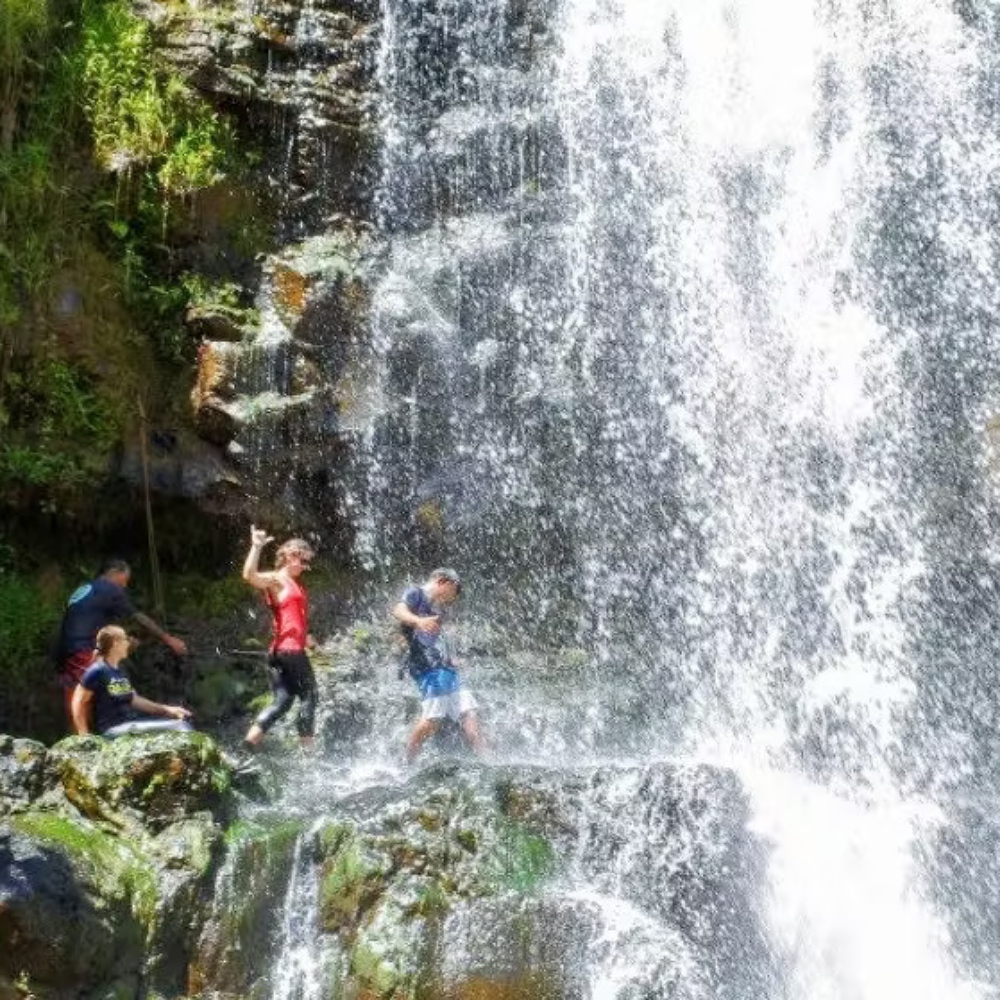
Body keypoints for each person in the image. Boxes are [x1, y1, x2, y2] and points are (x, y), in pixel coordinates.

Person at [55, 558, 188, 721]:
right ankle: (88, 737)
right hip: (83, 650)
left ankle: (81, 738)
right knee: (93, 698)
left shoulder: (87, 588)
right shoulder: (110, 589)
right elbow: (138, 617)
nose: (125, 586)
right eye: (125, 580)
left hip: (65, 651)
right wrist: (168, 639)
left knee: (81, 697)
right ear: (114, 573)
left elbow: (97, 626)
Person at [392, 567, 485, 763]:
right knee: (432, 719)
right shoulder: (416, 593)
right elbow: (398, 610)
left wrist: (450, 659)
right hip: (427, 667)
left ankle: (488, 759)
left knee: (468, 712)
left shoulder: (434, 608)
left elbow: (435, 641)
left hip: (443, 667)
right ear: (444, 581)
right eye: (452, 592)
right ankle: (406, 763)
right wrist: (418, 621)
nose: (451, 599)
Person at [241, 526, 318, 750]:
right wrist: (256, 546)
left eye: (305, 562)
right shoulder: (277, 579)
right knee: (309, 696)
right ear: (286, 556)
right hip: (290, 651)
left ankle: (247, 745)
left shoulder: (298, 585)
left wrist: (309, 638)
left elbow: (293, 619)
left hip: (281, 652)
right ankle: (309, 755)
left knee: (282, 702)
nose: (302, 565)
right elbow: (249, 576)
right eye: (298, 558)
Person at [71, 625, 193, 738]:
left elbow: (135, 700)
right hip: (114, 729)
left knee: (181, 723)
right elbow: (78, 702)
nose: (128, 643)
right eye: (125, 639)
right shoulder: (97, 670)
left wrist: (168, 710)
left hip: (130, 724)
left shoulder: (120, 672)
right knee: (181, 728)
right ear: (115, 643)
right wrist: (83, 735)